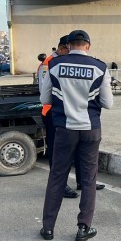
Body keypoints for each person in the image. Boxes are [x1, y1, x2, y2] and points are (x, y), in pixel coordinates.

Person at [40, 30, 113, 241]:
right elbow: (108, 103)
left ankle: (48, 228)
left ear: (69, 45)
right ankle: (83, 228)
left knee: (57, 176)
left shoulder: (54, 65)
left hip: (64, 128)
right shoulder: (100, 67)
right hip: (91, 129)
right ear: (87, 46)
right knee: (89, 179)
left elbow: (45, 98)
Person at [39, 36, 87, 199]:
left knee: (79, 147)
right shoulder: (49, 64)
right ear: (61, 48)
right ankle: (60, 185)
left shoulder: (66, 62)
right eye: (69, 48)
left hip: (69, 112)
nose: (72, 51)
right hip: (53, 112)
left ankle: (82, 181)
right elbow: (44, 91)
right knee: (56, 151)